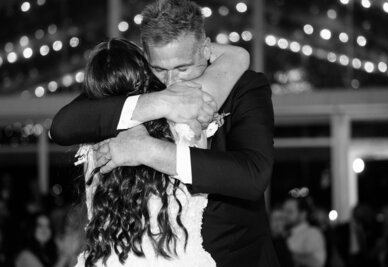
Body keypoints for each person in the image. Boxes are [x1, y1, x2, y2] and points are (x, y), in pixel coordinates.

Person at [50, 0, 277, 266]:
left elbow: (252, 175)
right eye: (159, 69)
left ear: (205, 49)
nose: (172, 82)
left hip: (234, 257)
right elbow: (63, 126)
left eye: (182, 68)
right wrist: (162, 102)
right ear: (147, 59)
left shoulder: (245, 88)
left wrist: (147, 151)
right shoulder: (141, 86)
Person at [73, 38, 246, 266]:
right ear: (147, 76)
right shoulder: (184, 125)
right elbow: (237, 57)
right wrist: (178, 49)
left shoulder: (90, 148)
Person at [14, 212, 79, 267]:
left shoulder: (48, 252)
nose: (45, 230)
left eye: (48, 226)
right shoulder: (25, 255)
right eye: (40, 226)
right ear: (31, 228)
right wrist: (64, 257)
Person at [283, 192, 326, 267]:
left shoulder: (312, 233)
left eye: (289, 212)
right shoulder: (285, 233)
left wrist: (287, 255)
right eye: (284, 211)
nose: (285, 215)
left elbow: (317, 262)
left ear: (303, 214)